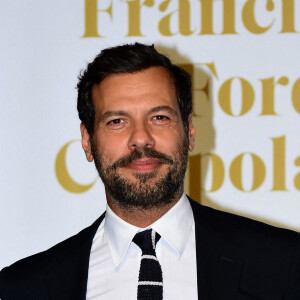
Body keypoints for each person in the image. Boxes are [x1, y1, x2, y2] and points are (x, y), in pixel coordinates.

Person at [0, 43, 299, 300]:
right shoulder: (25, 287)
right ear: (87, 141)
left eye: (159, 117)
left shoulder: (283, 265)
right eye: (117, 121)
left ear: (190, 131)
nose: (141, 138)